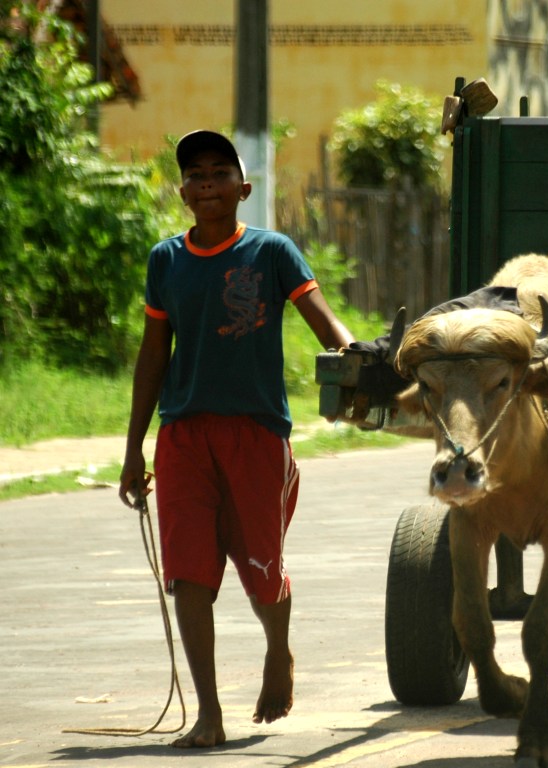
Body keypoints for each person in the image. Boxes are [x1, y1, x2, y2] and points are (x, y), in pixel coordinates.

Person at [118, 129, 356, 748]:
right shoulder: (164, 260)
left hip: (256, 433)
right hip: (183, 436)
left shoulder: (272, 252)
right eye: (195, 174)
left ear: (242, 189)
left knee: (261, 568)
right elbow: (152, 356)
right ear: (183, 193)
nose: (207, 183)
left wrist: (357, 354)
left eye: (219, 172)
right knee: (189, 574)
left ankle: (279, 652)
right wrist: (132, 449)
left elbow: (322, 318)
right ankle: (209, 713)